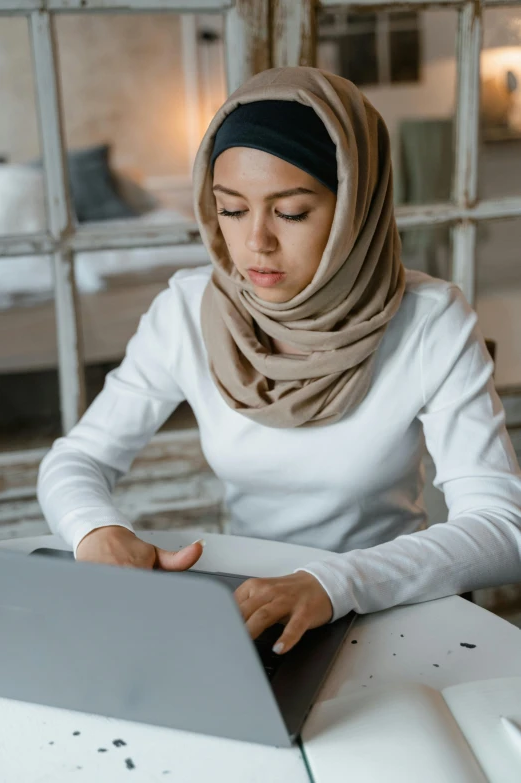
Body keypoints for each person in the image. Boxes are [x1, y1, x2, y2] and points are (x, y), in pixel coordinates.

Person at [37, 66, 521, 658]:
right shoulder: (189, 311)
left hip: (384, 604)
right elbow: (78, 457)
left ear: (354, 209)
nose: (255, 243)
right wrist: (97, 531)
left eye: (290, 212)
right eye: (231, 210)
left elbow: (502, 528)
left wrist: (332, 583)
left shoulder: (429, 322)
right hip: (250, 608)